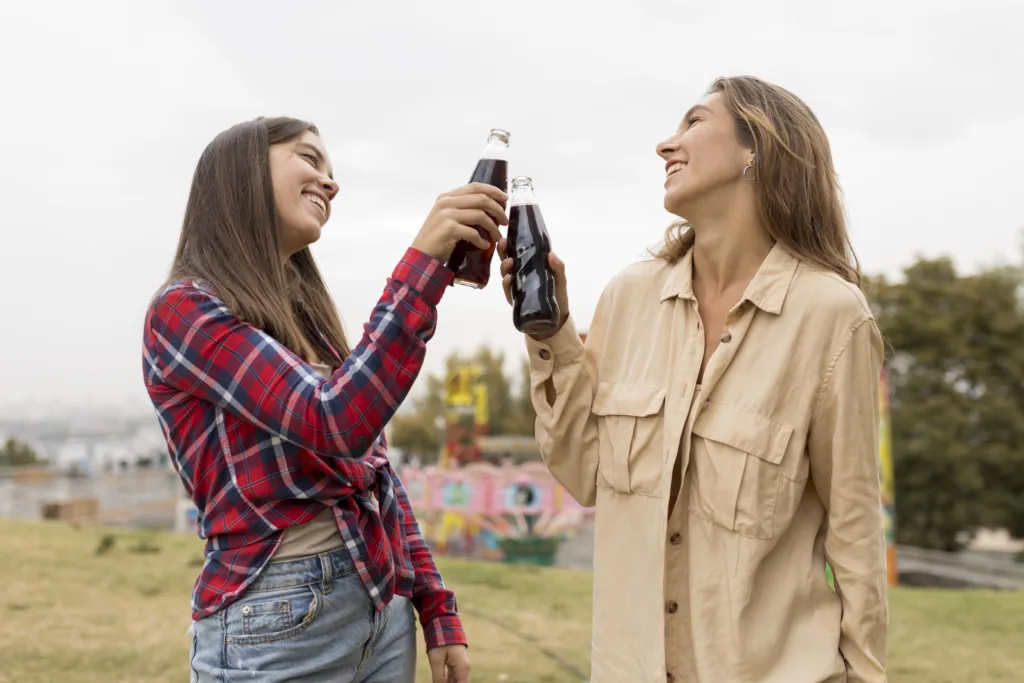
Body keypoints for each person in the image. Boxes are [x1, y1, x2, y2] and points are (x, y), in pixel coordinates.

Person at [499, 76, 888, 682]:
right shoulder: (628, 297)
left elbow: (856, 533)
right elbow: (583, 471)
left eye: (692, 122)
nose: (665, 145)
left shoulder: (832, 318)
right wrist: (549, 336)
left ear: (755, 146)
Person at [143, 116, 507, 683]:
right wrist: (423, 265)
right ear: (241, 173)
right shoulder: (183, 311)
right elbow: (334, 421)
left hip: (380, 607)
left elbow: (374, 473)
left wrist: (435, 607)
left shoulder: (306, 316)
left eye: (332, 170)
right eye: (309, 159)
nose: (330, 183)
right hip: (277, 616)